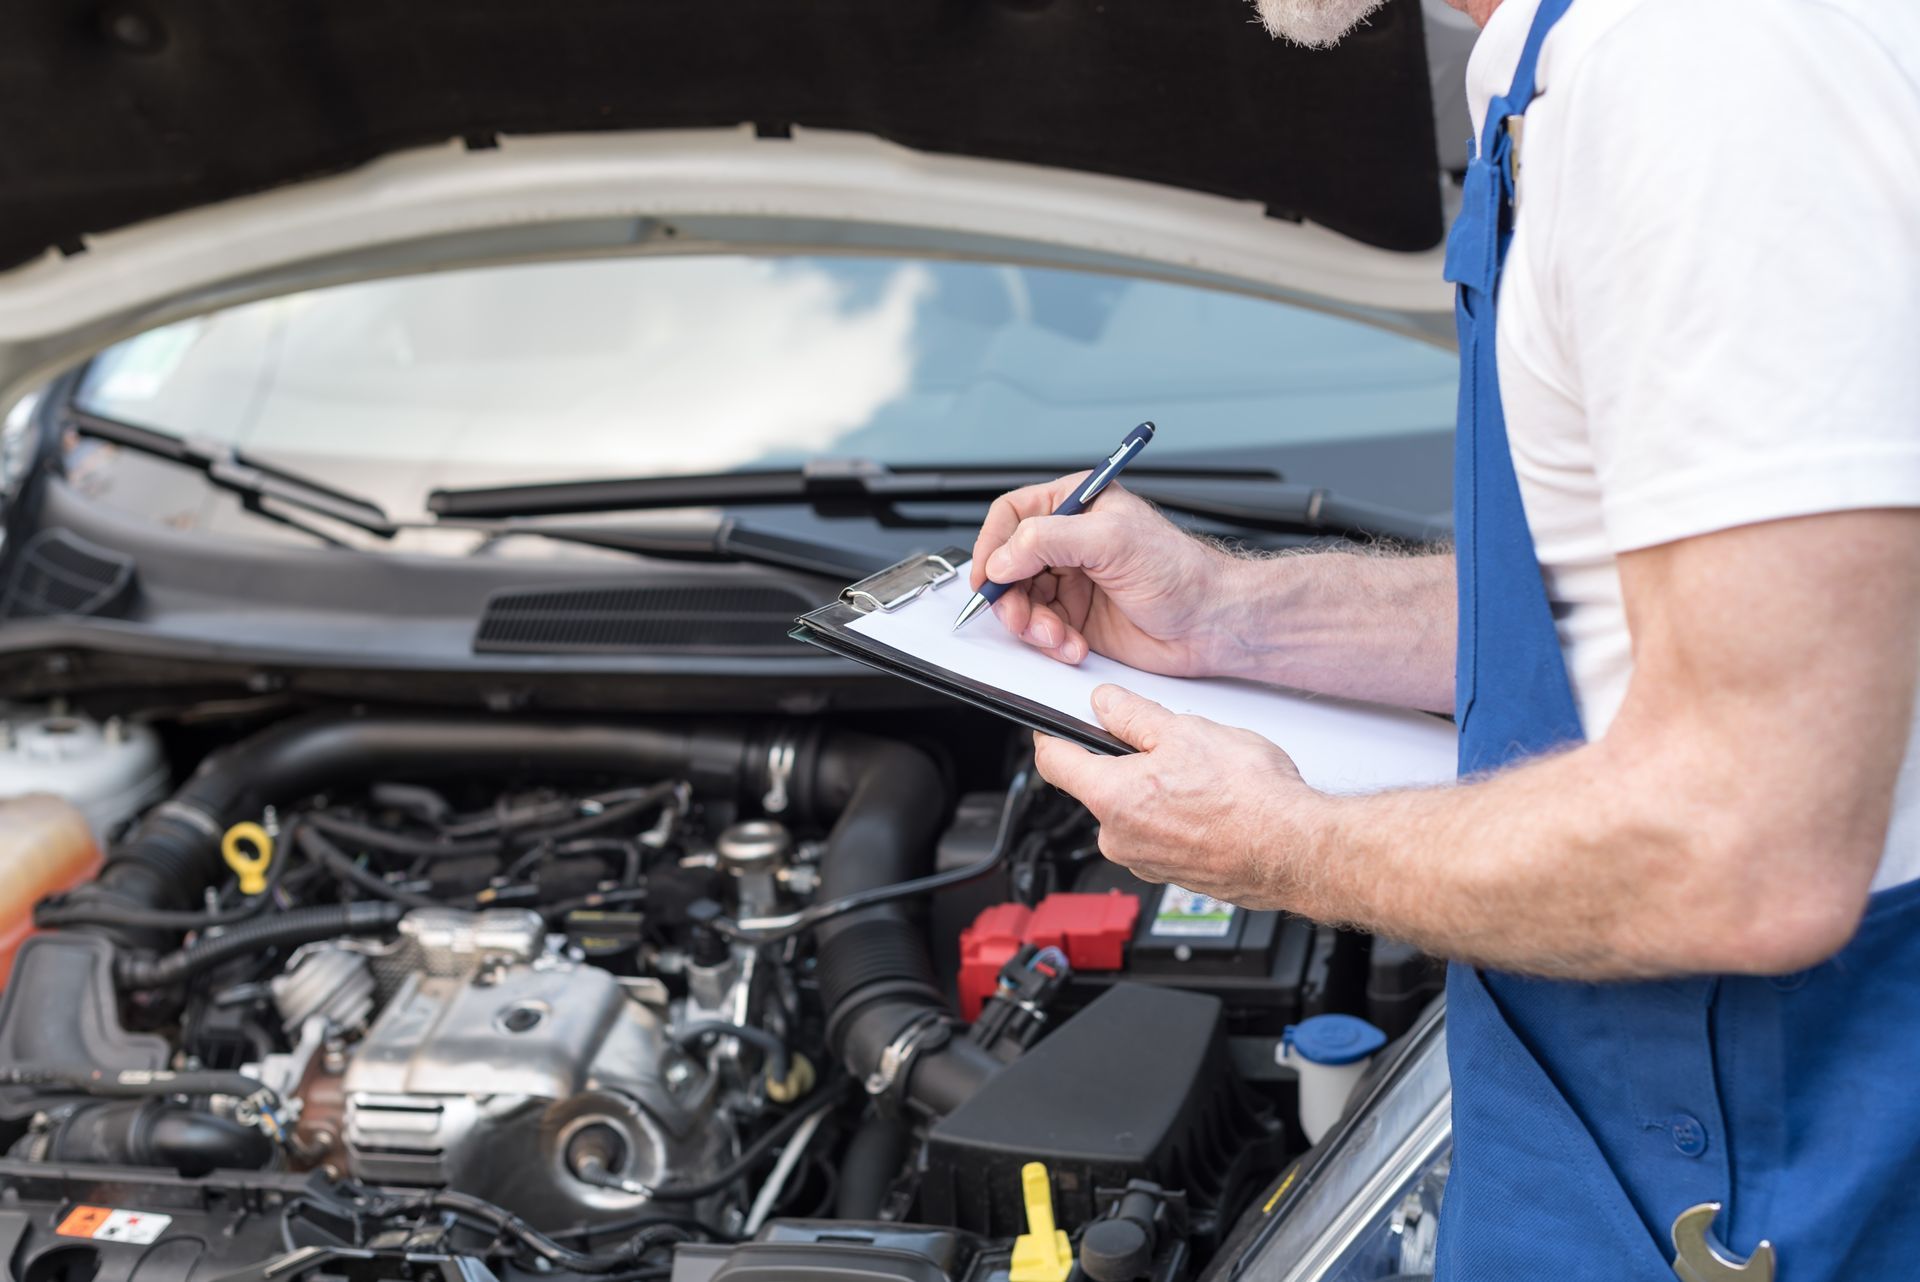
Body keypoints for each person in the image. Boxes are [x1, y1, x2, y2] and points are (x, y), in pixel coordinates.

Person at [965, 0, 1920, 1277]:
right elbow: (1639, 604)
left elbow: (1749, 846)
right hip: (1620, 1144)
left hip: (1761, 1182)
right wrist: (1232, 611)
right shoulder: (1586, 67)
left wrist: (1280, 844)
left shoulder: (1710, 67)